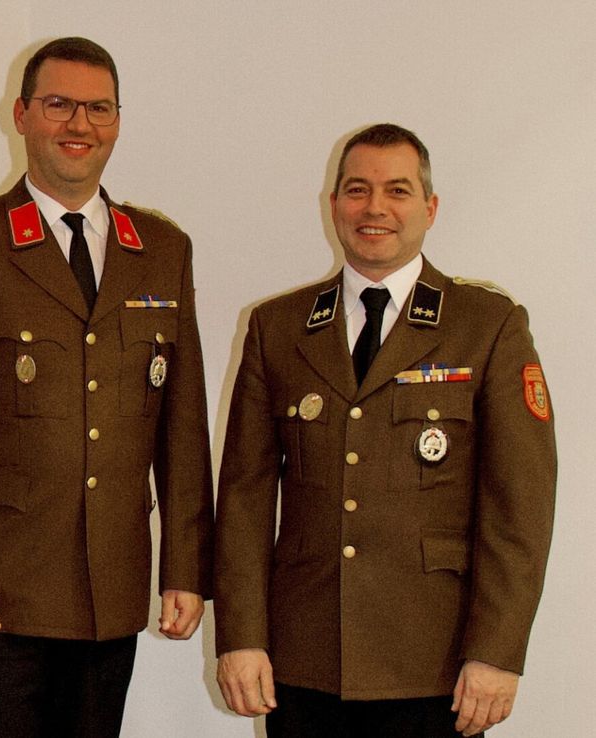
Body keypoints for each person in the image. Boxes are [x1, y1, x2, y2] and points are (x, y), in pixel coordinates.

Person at [0, 37, 215, 737]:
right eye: (60, 105)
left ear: (118, 122)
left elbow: (182, 427)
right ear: (22, 114)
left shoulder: (161, 249)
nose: (80, 125)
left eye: (98, 109)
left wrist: (187, 567)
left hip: (112, 585)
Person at [214, 123, 557, 737]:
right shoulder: (279, 328)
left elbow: (519, 506)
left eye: (397, 191)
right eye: (357, 190)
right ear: (333, 206)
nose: (375, 208)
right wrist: (241, 638)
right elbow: (244, 496)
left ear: (429, 208)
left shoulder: (487, 325)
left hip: (436, 664)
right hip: (304, 658)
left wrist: (497, 652)